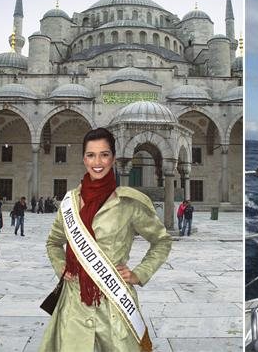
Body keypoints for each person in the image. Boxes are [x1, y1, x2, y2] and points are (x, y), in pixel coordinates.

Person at [40, 127, 172, 351]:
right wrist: (62, 266)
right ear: (84, 159)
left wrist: (139, 273)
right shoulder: (70, 202)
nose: (97, 161)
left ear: (113, 158)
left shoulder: (129, 203)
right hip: (73, 306)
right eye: (91, 155)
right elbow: (53, 242)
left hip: (114, 304)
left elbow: (162, 241)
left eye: (104, 154)